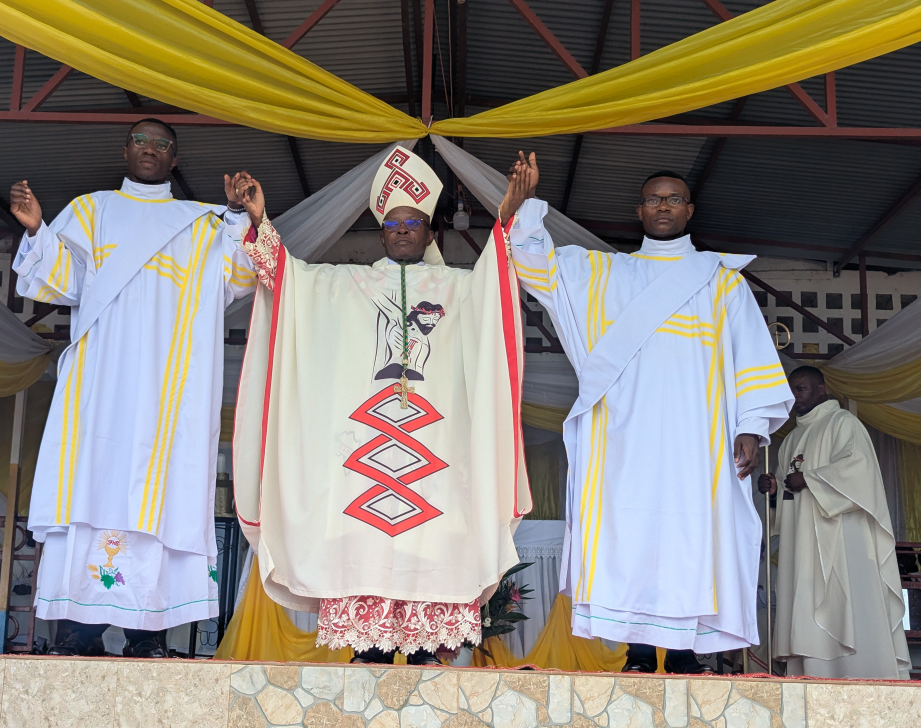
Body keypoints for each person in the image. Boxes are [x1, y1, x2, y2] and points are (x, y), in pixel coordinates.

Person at [232, 147, 532, 665]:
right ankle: (368, 654)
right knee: (364, 547)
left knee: (432, 541)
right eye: (392, 222)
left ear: (430, 231)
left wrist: (504, 218)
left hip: (435, 449)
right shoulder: (344, 285)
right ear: (381, 231)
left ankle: (420, 656)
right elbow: (287, 282)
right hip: (364, 452)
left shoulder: (460, 289)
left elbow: (496, 285)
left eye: (413, 221)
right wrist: (260, 221)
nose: (401, 230)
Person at [506, 155, 794, 673]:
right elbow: (536, 265)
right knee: (629, 537)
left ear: (689, 211)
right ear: (640, 211)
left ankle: (684, 654)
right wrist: (524, 206)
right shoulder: (604, 273)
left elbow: (750, 352)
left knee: (689, 537)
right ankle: (637, 653)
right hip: (623, 438)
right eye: (654, 199)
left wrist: (751, 426)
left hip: (696, 438)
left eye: (674, 199)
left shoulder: (721, 281)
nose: (664, 206)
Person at [9, 118, 258, 657]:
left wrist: (240, 217)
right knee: (90, 488)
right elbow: (62, 281)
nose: (150, 149)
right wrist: (37, 233)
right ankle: (80, 631)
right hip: (102, 386)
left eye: (161, 144)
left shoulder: (202, 223)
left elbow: (237, 281)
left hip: (173, 390)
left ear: (175, 158)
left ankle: (149, 635)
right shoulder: (91, 211)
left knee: (164, 495)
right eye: (141, 141)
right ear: (126, 151)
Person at [758, 367, 910, 679]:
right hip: (801, 543)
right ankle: (810, 674)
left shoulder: (843, 423)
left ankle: (862, 673)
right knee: (805, 602)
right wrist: (774, 492)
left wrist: (810, 479)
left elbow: (860, 470)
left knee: (844, 604)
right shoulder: (791, 440)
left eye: (801, 388)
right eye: (792, 390)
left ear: (821, 389)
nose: (795, 396)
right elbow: (789, 496)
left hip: (840, 539)